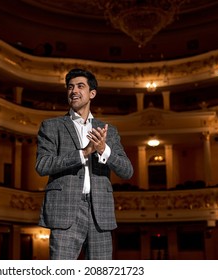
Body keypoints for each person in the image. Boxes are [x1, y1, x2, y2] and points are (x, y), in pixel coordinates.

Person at [35, 68, 133, 260]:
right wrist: (84, 153)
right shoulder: (51, 126)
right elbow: (42, 165)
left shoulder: (108, 131)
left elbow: (127, 171)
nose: (74, 91)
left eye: (80, 86)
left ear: (92, 93)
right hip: (65, 211)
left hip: (100, 212)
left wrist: (104, 150)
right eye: (70, 87)